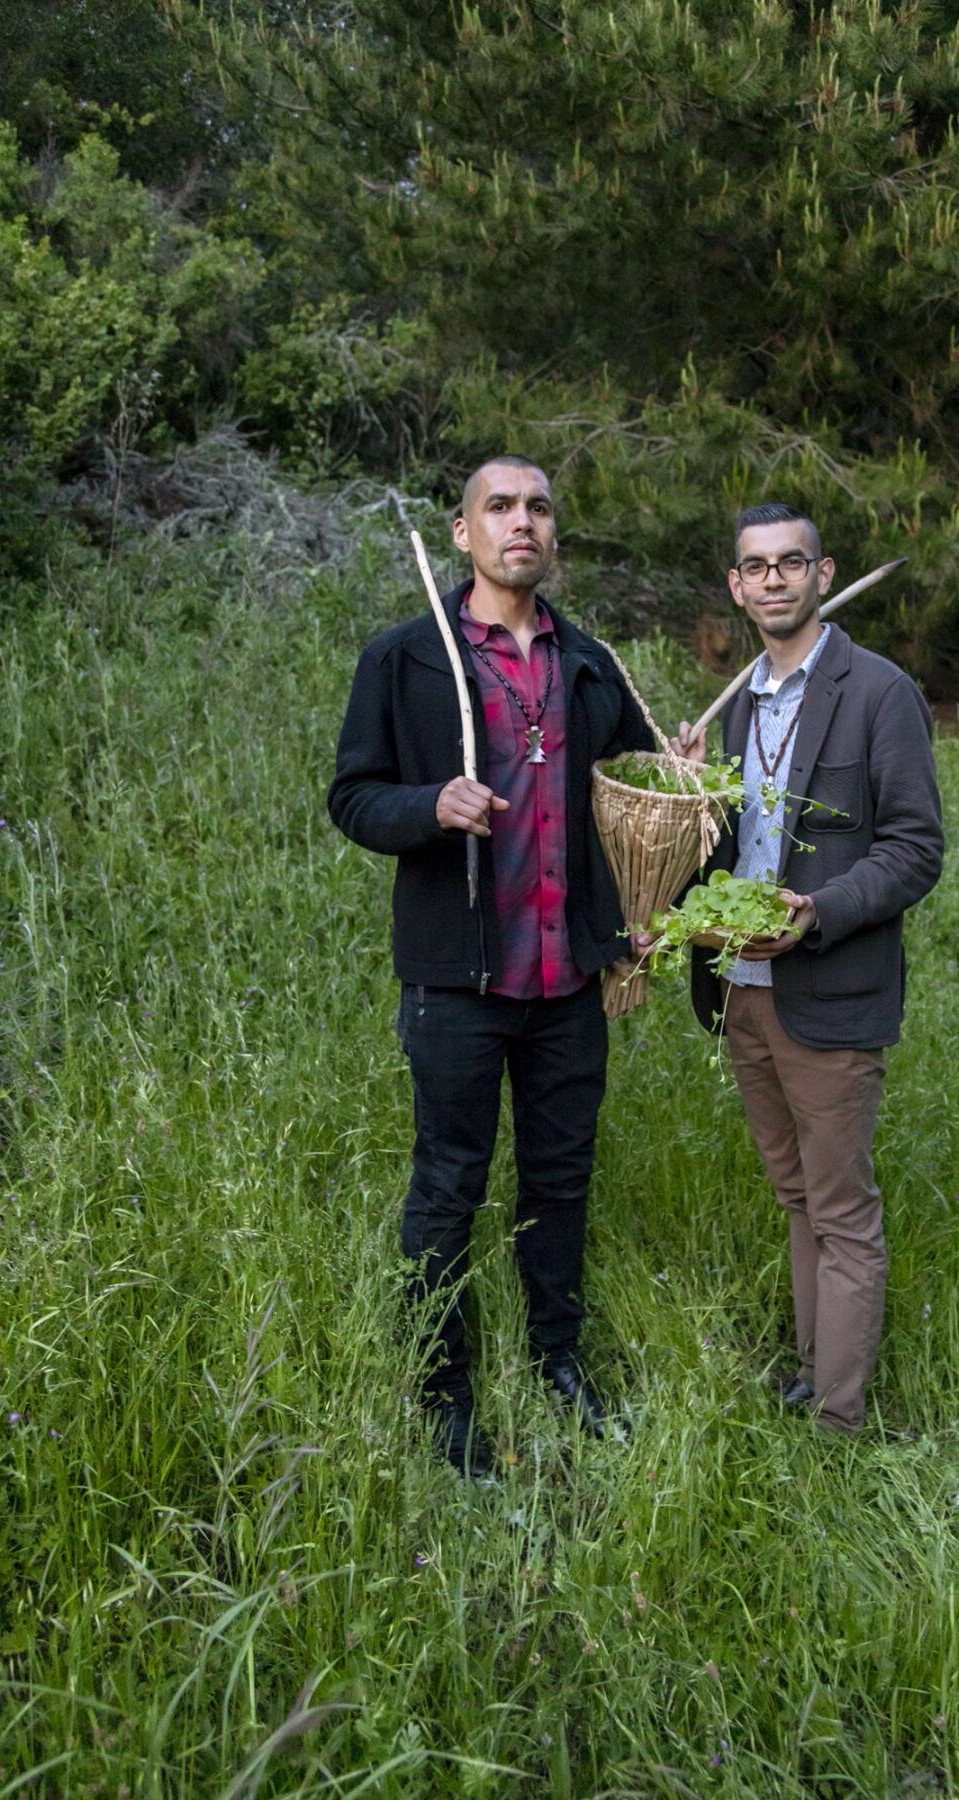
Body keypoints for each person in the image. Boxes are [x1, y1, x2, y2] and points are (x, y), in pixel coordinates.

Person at [328, 456, 654, 1475]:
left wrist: (674, 770)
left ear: (554, 535)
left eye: (540, 507)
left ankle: (560, 1365)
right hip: (457, 984)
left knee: (561, 1182)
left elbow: (638, 799)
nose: (524, 523)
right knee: (449, 1187)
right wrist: (431, 806)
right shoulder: (406, 659)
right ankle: (444, 1394)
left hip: (569, 983)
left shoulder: (592, 664)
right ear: (464, 533)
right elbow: (353, 798)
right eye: (500, 507)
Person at [676, 503, 943, 1437]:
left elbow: (916, 849)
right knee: (796, 1196)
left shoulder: (877, 692)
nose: (775, 579)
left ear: (823, 575)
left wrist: (818, 914)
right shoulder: (739, 702)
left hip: (826, 991)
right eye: (756, 567)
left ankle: (840, 1420)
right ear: (738, 587)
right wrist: (690, 794)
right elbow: (729, 853)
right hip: (743, 993)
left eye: (794, 562)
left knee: (840, 1209)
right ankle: (808, 1375)